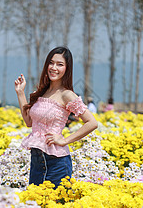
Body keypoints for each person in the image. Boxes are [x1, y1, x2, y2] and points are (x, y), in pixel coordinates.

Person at [14, 46, 98, 188]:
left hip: (57, 163)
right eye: (51, 63)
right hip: (36, 162)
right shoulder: (42, 92)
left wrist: (64, 140)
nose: (54, 68)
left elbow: (92, 122)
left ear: (67, 68)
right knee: (34, 206)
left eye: (60, 64)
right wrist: (20, 93)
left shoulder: (67, 95)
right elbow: (29, 122)